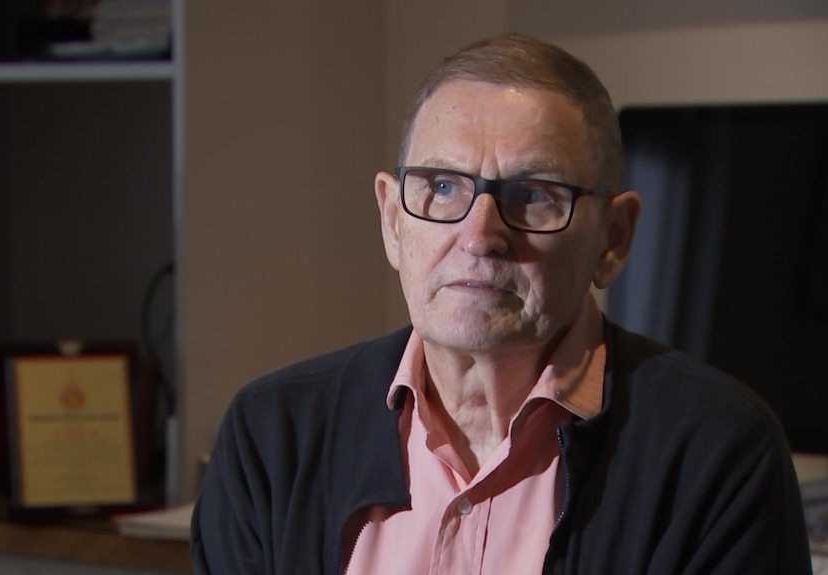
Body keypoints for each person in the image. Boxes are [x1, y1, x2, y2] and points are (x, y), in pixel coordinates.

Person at [190, 33, 812, 574]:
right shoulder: (273, 437)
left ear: (614, 238)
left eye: (534, 194)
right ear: (390, 220)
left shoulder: (717, 453)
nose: (482, 235)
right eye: (440, 186)